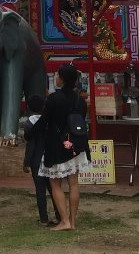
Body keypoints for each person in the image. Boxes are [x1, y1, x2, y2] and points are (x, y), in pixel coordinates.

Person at [38, 64, 90, 231]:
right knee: (74, 183)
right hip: (76, 145)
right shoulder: (80, 100)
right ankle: (73, 222)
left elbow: (44, 120)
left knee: (55, 183)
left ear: (62, 78)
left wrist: (30, 131)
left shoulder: (54, 99)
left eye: (57, 75)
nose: (56, 77)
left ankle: (65, 221)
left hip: (56, 146)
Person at [23, 94, 60, 226]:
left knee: (40, 191)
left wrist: (26, 162)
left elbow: (29, 143)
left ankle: (43, 219)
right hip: (50, 158)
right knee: (54, 189)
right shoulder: (49, 121)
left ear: (29, 107)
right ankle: (59, 215)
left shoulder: (28, 123)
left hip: (36, 160)